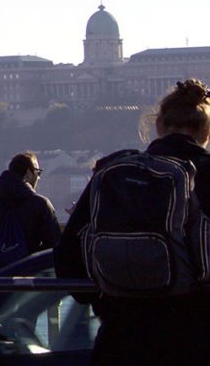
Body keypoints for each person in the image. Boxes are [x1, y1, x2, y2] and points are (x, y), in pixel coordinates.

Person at [55, 78, 210, 363]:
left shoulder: (116, 173)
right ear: (205, 130)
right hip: (194, 338)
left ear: (158, 125)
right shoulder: (205, 174)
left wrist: (107, 299)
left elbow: (67, 257)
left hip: (120, 340)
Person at [0, 151, 60, 272]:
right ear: (28, 173)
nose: (39, 177)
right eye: (37, 172)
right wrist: (33, 265)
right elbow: (55, 243)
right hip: (30, 279)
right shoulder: (41, 204)